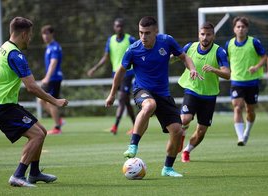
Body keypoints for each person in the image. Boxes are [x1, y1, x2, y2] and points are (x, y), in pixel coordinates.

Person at [105, 16, 202, 177]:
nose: (143, 37)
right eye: (141, 33)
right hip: (142, 90)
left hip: (163, 94)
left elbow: (184, 56)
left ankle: (168, 168)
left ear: (156, 32)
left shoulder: (167, 41)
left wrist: (192, 68)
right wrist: (112, 94)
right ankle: (133, 145)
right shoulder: (133, 49)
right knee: (149, 105)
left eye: (147, 33)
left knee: (177, 131)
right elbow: (120, 73)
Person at [0, 17, 68, 187]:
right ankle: (18, 175)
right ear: (23, 34)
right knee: (36, 135)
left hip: (2, 104)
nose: (30, 39)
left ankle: (34, 173)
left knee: (41, 131)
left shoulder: (3, 48)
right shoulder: (16, 55)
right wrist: (55, 101)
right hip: (2, 107)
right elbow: (31, 87)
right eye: (29, 35)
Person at [179, 22, 230, 162]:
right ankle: (181, 134)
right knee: (185, 119)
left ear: (213, 36)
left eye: (208, 34)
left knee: (201, 131)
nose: (205, 37)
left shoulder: (219, 52)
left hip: (209, 95)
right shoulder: (190, 47)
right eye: (202, 34)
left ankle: (187, 150)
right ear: (198, 35)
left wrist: (214, 70)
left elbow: (227, 74)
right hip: (192, 89)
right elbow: (177, 57)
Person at [88, 18, 136, 135]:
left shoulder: (130, 39)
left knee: (121, 99)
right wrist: (95, 68)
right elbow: (106, 57)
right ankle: (136, 125)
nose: (119, 28)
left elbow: (139, 52)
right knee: (126, 101)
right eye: (117, 26)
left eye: (121, 26)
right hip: (116, 74)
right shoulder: (111, 40)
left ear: (123, 27)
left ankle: (115, 126)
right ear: (114, 28)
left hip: (128, 73)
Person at [225, 16, 267, 146]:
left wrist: (256, 67)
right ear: (234, 29)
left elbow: (264, 56)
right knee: (237, 108)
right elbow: (224, 59)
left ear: (247, 29)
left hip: (252, 82)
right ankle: (240, 137)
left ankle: (247, 132)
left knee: (250, 111)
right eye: (238, 27)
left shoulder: (254, 42)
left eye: (243, 27)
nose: (240, 29)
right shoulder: (229, 44)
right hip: (236, 82)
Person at [40, 25, 64, 135]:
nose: (45, 36)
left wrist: (47, 77)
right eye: (43, 34)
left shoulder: (54, 47)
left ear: (52, 34)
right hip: (51, 78)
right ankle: (58, 120)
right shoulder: (49, 47)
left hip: (54, 79)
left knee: (52, 102)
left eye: (47, 34)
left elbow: (53, 63)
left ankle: (57, 127)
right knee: (41, 101)